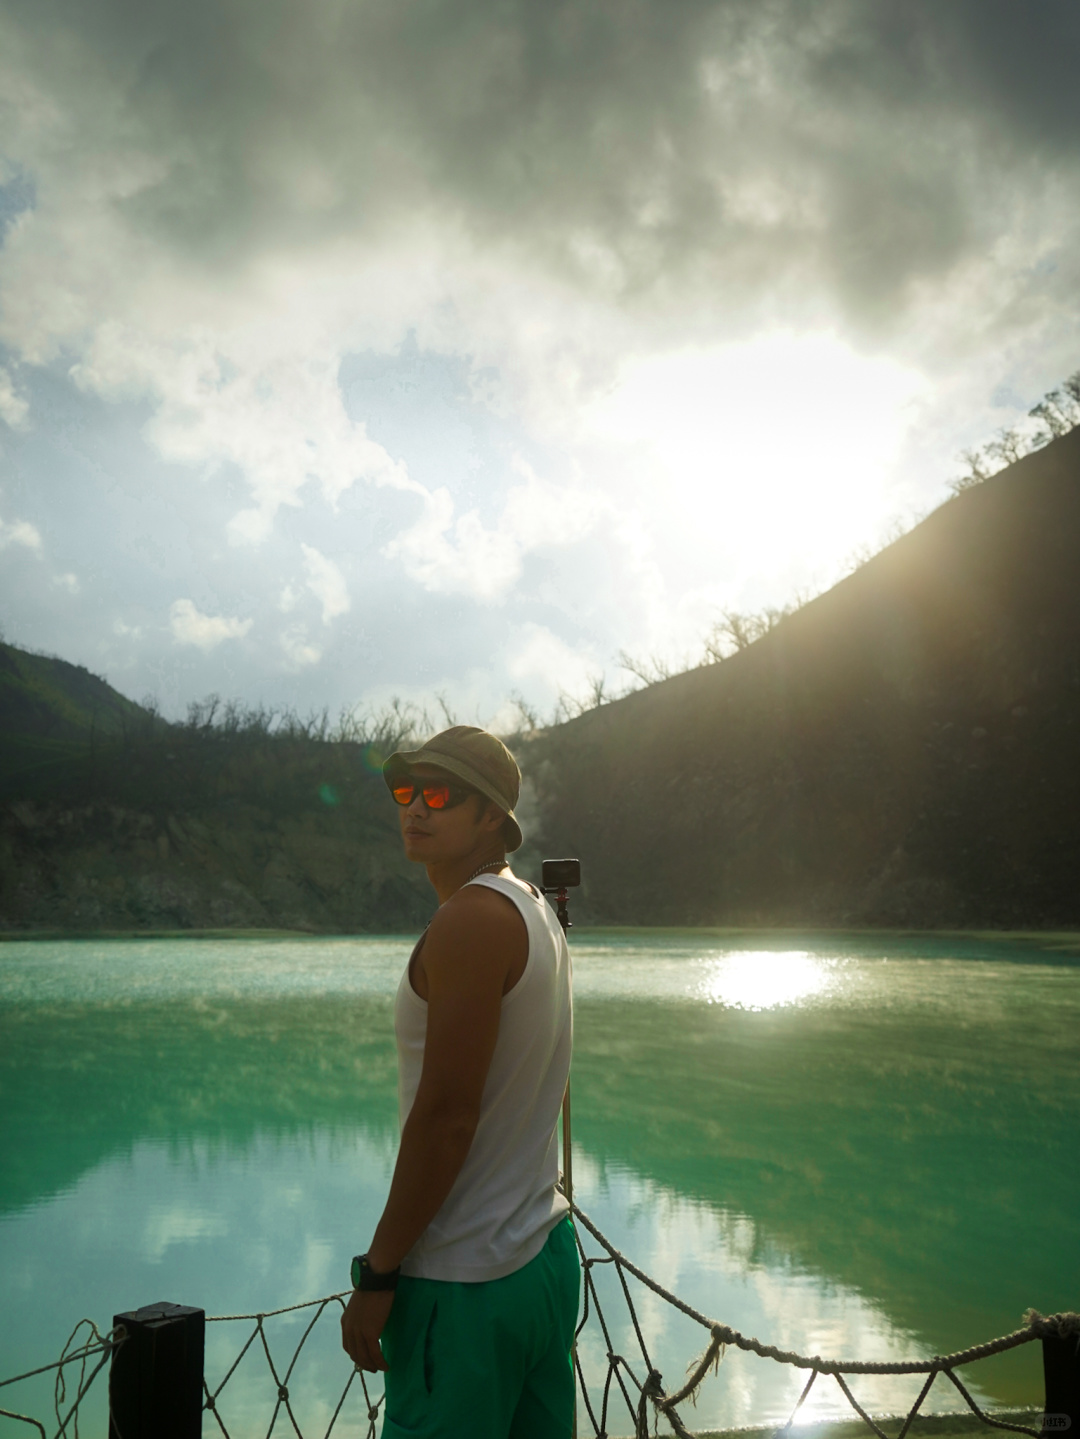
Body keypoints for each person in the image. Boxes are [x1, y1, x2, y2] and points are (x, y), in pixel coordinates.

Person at [340, 724, 579, 1439]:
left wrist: (378, 1273)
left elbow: (446, 1118)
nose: (416, 807)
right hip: (540, 1256)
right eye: (407, 791)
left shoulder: (470, 921)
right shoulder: (533, 907)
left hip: (466, 1280)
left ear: (490, 818)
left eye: (439, 794)